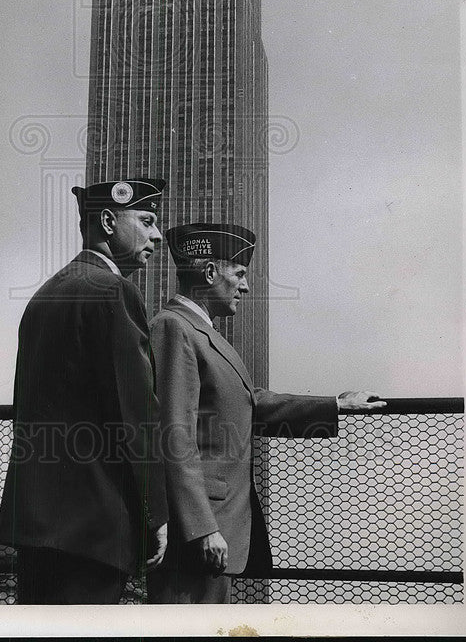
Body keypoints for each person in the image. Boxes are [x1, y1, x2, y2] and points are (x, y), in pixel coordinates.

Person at [147, 222, 386, 604]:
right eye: (239, 274)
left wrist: (334, 404)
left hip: (217, 528)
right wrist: (201, 528)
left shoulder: (199, 331)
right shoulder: (174, 328)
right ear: (210, 274)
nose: (245, 286)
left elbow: (248, 403)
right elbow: (174, 437)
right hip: (199, 532)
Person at [0, 178, 169, 604]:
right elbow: (136, 413)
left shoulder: (45, 293)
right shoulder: (114, 290)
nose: (158, 235)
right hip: (94, 526)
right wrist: (157, 514)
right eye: (146, 221)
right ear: (108, 221)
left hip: (36, 524)